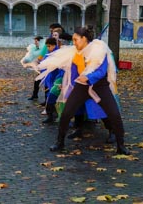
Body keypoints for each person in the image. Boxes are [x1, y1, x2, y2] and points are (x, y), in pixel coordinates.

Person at [37, 25, 130, 155]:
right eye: (73, 40)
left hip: (100, 86)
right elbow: (73, 72)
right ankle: (60, 142)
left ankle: (121, 146)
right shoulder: (76, 52)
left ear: (84, 38)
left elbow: (101, 71)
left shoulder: (99, 50)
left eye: (76, 39)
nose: (73, 42)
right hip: (81, 86)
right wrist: (68, 85)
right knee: (66, 113)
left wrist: (88, 77)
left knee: (114, 114)